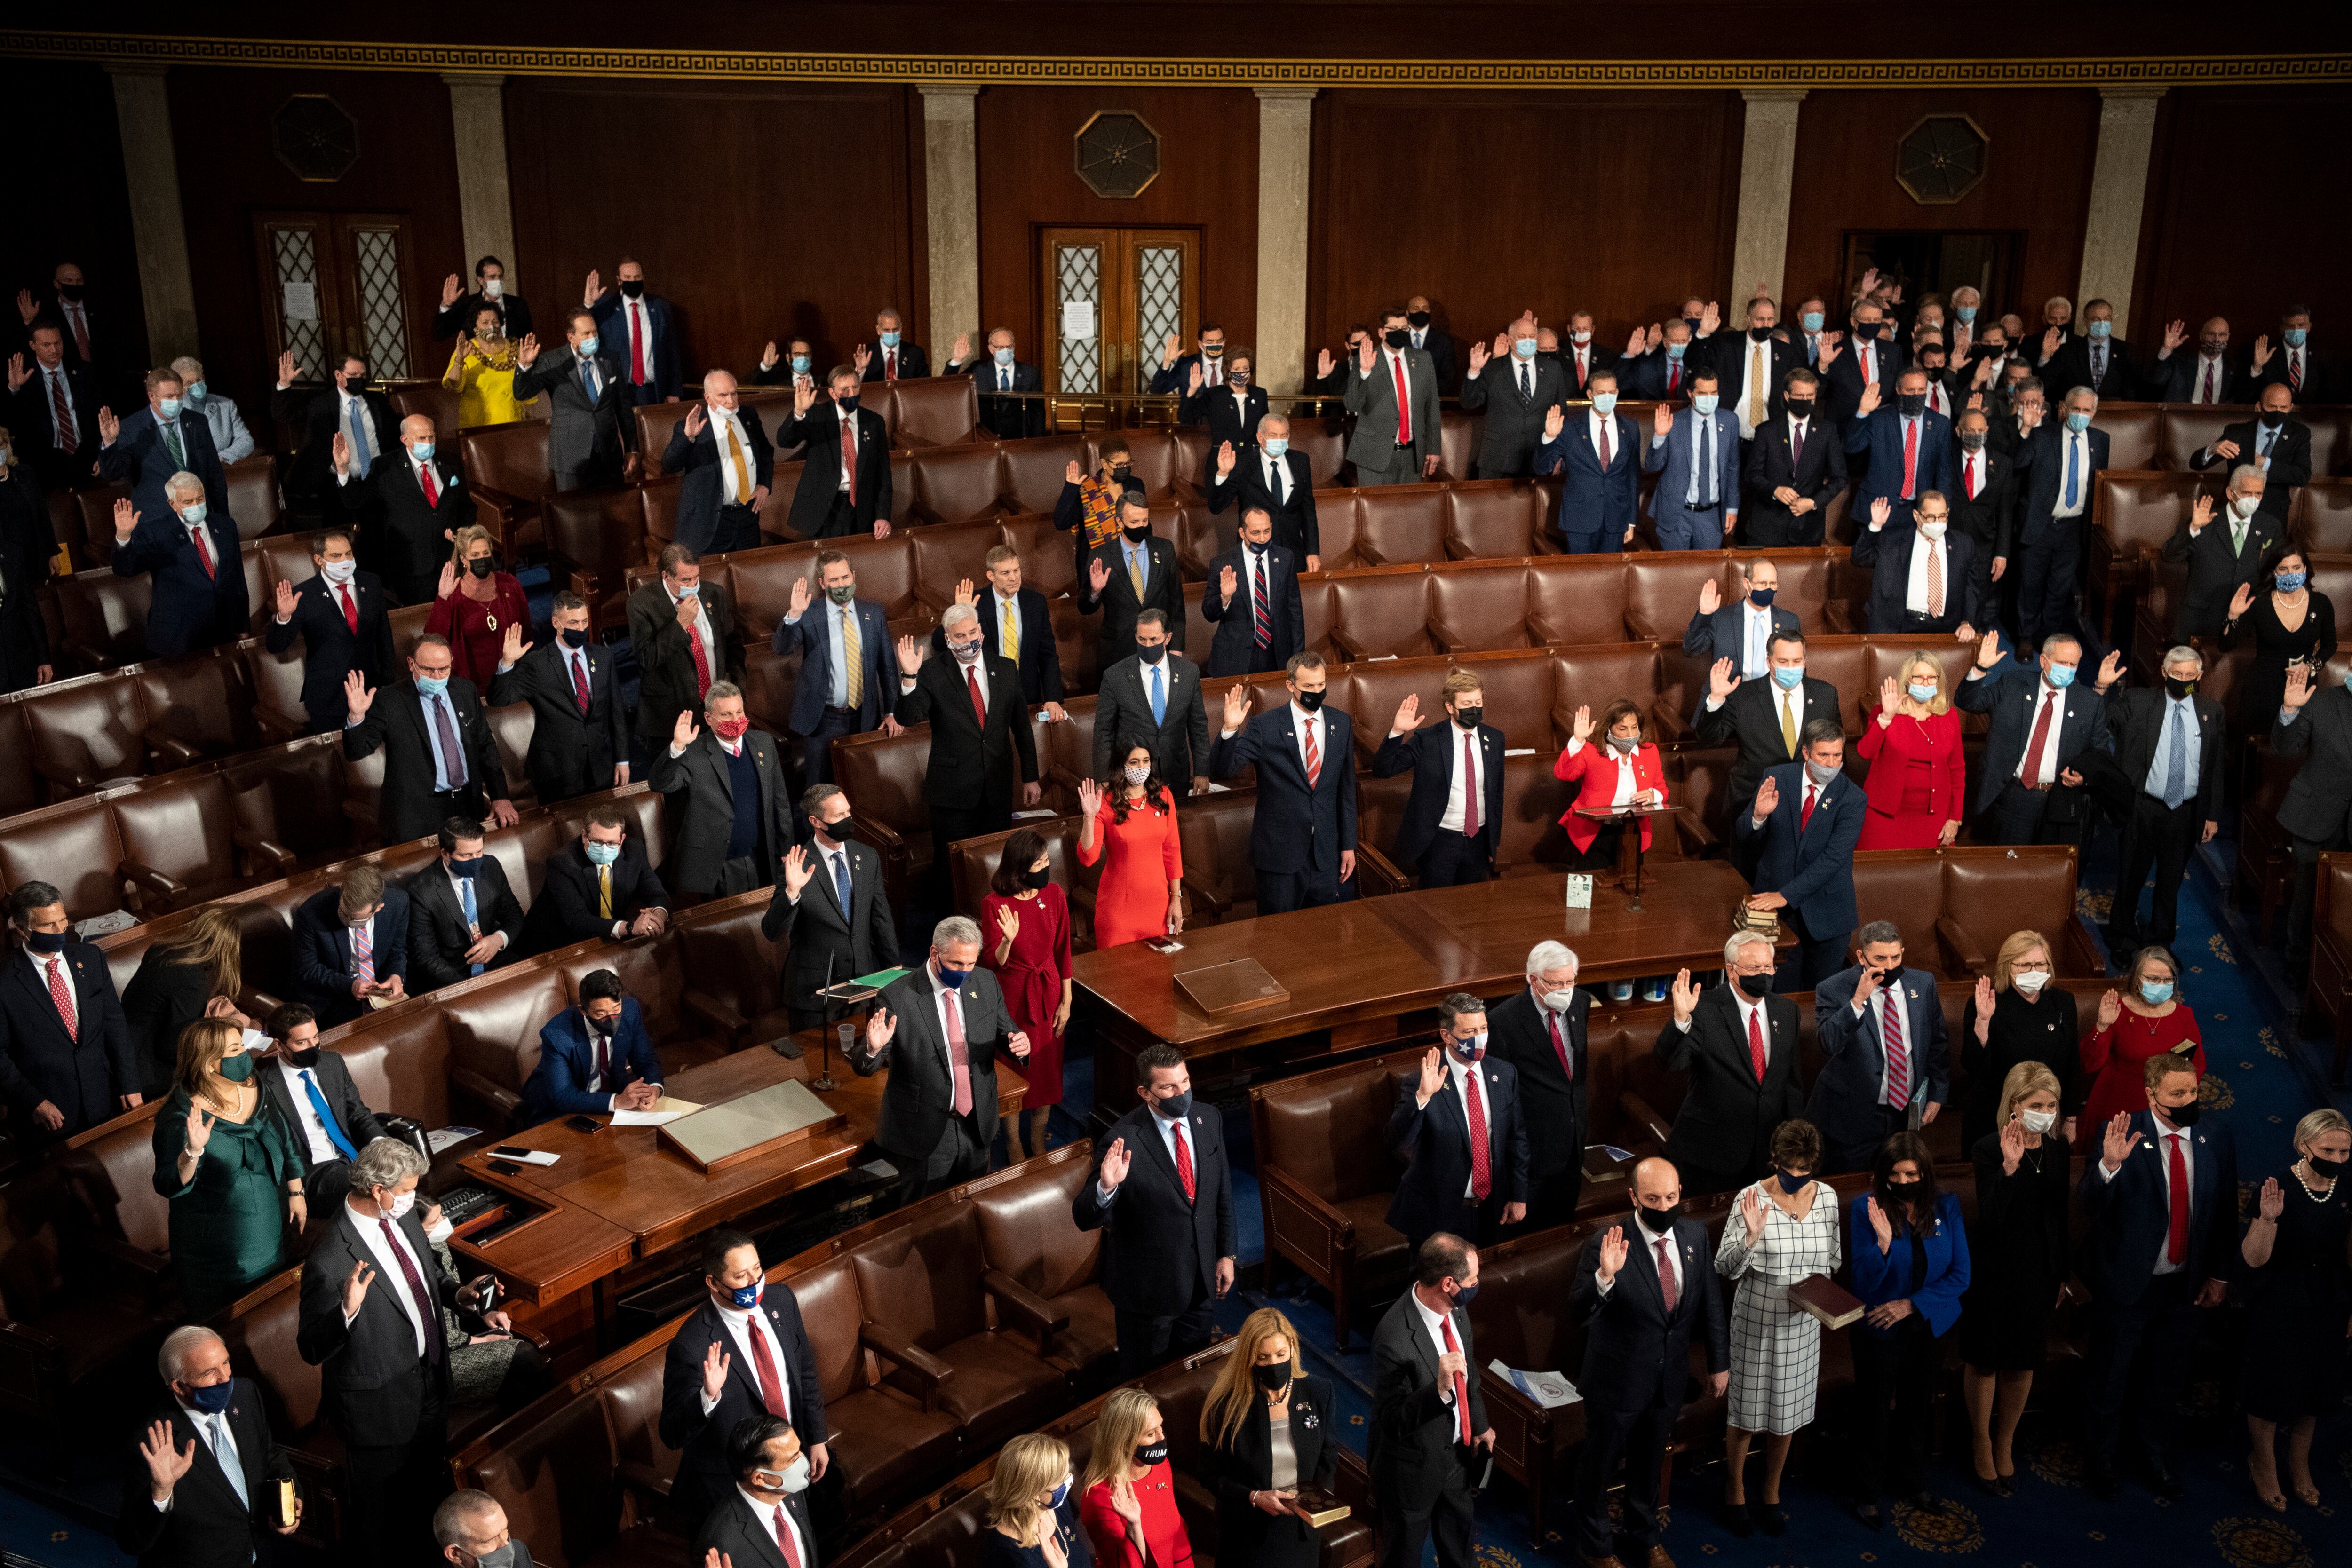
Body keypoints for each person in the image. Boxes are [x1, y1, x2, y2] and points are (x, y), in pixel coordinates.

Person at [2077, 1054, 2237, 1498]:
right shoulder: (2122, 1132)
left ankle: (2154, 1454)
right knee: (2112, 1375)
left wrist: (2220, 1276)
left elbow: (2224, 1212)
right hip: (2129, 1282)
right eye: (2178, 1094)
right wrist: (2108, 1167)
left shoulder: (2214, 1135)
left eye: (2193, 1092)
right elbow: (2090, 1205)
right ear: (2151, 1095)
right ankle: (2102, 1457)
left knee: (2166, 1377)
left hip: (2185, 1284)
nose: (2189, 1101)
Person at [297, 1137, 458, 1568]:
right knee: (381, 1529)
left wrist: (460, 1292)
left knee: (430, 1502)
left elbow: (426, 1279)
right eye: (406, 1191)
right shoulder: (328, 1261)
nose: (412, 1199)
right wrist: (345, 1311)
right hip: (379, 1410)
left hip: (429, 1385)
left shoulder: (403, 1220)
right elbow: (311, 1347)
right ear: (378, 1190)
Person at [1569, 1162, 1728, 1568]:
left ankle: (1644, 1536)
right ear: (1634, 1198)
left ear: (1681, 1191)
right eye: (1653, 1199)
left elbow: (1710, 1301)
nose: (1664, 1206)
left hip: (1667, 1379)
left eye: (1671, 1198)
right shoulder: (1607, 1241)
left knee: (1649, 1462)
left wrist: (1719, 1363)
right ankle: (1596, 1546)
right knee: (1599, 1466)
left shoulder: (1694, 1235)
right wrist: (1604, 1278)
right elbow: (1579, 1313)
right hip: (1616, 1381)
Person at [1071, 1044, 1234, 1377]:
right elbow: (1083, 1217)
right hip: (1147, 1296)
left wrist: (1226, 1254)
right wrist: (1107, 1187)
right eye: (1169, 1087)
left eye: (1185, 1082)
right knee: (1145, 1389)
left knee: (1193, 1379)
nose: (1182, 1093)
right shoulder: (1123, 1140)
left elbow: (1222, 1194)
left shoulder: (1208, 1119)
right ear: (1146, 1093)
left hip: (1200, 1286)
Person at [1714, 1119, 1838, 1538]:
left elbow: (1833, 1261)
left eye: (1804, 1172)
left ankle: (1770, 1492)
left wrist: (1822, 1294)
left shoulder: (1828, 1198)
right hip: (1757, 1322)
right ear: (1776, 1160)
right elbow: (1724, 1268)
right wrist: (1750, 1239)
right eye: (1789, 1170)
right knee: (1747, 1415)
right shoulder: (1750, 1197)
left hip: (1804, 1325)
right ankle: (1734, 1491)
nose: (1796, 1179)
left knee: (1787, 1416)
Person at [853, 917, 1030, 1206]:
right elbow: (864, 1066)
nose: (965, 972)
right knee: (925, 1221)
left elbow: (1006, 1031)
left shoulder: (985, 983)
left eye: (970, 963)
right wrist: (873, 1049)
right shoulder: (899, 997)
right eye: (956, 964)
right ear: (934, 953)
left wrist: (1019, 1045)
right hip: (926, 1133)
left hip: (976, 1124)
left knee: (974, 1213)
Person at [660, 1228, 829, 1525]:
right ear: (713, 1283)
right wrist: (707, 1398)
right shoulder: (691, 1344)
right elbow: (672, 1433)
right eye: (741, 1277)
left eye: (758, 1269)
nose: (754, 1282)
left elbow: (804, 1371)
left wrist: (817, 1439)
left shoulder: (782, 1301)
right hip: (735, 1489)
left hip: (790, 1462)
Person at [1959, 1061, 2072, 1496]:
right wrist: (2009, 1169)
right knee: (1987, 1358)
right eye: (2037, 1104)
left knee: (2023, 1358)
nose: (2046, 1111)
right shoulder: (1988, 1149)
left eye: (2052, 1104)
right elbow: (1991, 1216)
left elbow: (2058, 1217)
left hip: (2039, 1272)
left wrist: (2061, 1273)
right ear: (2014, 1107)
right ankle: (1981, 1440)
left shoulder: (2057, 1148)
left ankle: (2005, 1440)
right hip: (1995, 1269)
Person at [1846, 1131, 1970, 1528]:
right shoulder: (1865, 1209)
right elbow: (1863, 1285)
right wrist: (1882, 1244)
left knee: (1918, 1407)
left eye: (1911, 1174)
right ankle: (1867, 1492)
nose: (1903, 1182)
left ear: (1925, 1174)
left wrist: (1912, 1305)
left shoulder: (1946, 1207)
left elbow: (1960, 1274)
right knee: (1874, 1411)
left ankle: (1912, 1482)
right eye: (1895, 1175)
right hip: (1879, 1328)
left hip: (1929, 1324)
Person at [2239, 1108, 2352, 1512]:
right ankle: (2264, 1462)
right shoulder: (2278, 1188)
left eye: (2345, 1152)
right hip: (2281, 1303)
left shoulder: (2346, 1186)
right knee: (2274, 1386)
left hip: (2331, 1302)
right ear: (2304, 1145)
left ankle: (2299, 1464)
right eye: (2328, 1150)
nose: (2337, 1160)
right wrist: (2267, 1221)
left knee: (2317, 1389)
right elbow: (2253, 1259)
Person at [151, 1018, 303, 1319]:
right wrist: (192, 1151)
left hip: (268, 1230)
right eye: (235, 1049)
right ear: (208, 1064)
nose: (245, 1053)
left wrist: (296, 1190)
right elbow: (168, 1184)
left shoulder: (254, 1086)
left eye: (242, 1045)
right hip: (215, 1248)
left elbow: (284, 1135)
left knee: (268, 1314)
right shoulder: (180, 1117)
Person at [117, 1325, 302, 1568]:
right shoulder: (151, 1444)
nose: (225, 1378)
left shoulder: (245, 1395)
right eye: (209, 1373)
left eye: (226, 1363)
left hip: (259, 1555)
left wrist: (290, 1497)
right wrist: (161, 1492)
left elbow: (269, 1454)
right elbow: (131, 1542)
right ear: (180, 1387)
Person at [892, 606, 1042, 898]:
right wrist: (909, 676)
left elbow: (1022, 728)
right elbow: (908, 717)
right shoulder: (933, 672)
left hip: (996, 788)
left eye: (972, 633)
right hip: (952, 794)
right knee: (951, 871)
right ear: (948, 640)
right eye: (960, 636)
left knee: (996, 863)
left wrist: (1030, 777)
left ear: (982, 633)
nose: (968, 640)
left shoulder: (1007, 668)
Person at [1368, 1234, 1491, 1568]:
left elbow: (1471, 1373)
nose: (1477, 1285)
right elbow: (1391, 1421)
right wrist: (1437, 1391)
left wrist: (1480, 1425)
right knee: (1403, 1560)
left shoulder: (1457, 1311)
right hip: (1411, 1471)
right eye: (1473, 1280)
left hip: (1457, 1462)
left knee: (1461, 1557)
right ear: (1448, 1283)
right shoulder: (1393, 1338)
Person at [1656, 934, 1806, 1195]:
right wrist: (1681, 1020)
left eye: (1768, 967)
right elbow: (1668, 1064)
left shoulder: (1787, 1011)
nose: (1764, 974)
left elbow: (1791, 1084)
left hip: (1766, 1156)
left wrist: (1796, 1144)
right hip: (1709, 1157)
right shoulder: (1703, 1010)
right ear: (1731, 970)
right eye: (1753, 968)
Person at [1210, 654, 1357, 913]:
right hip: (1279, 858)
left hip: (1325, 855)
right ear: (1291, 686)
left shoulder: (1341, 723)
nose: (1316, 692)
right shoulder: (1264, 726)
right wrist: (1229, 729)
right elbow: (1224, 770)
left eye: (1321, 685)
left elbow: (1345, 791)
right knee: (1278, 939)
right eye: (1309, 687)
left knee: (1326, 935)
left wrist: (1348, 845)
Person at [342, 633, 516, 845]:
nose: (436, 676)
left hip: (467, 806)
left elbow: (486, 747)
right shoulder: (390, 700)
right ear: (411, 664)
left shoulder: (465, 691)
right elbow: (357, 751)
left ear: (452, 663)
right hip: (415, 816)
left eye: (443, 669)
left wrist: (500, 796)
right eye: (427, 669)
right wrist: (357, 717)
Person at [2103, 647, 2222, 955]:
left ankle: (2160, 943)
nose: (2183, 680)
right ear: (2165, 673)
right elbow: (2107, 721)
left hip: (2185, 812)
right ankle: (2122, 938)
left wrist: (2211, 814)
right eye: (2177, 674)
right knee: (2131, 877)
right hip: (2144, 807)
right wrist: (2101, 688)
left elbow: (2215, 766)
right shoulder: (2139, 701)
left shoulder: (2211, 711)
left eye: (2189, 675)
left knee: (2170, 885)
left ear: (2199, 676)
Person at [1387, 994, 1528, 1252]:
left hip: (1491, 1209)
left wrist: (1518, 1195)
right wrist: (1423, 1097)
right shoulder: (1422, 1081)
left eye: (1484, 1028)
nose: (1480, 1037)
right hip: (1438, 1213)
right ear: (1447, 1036)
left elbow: (1516, 1138)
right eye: (1470, 1031)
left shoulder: (1505, 1074)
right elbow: (1398, 1141)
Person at [0, 880, 139, 1140]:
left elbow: (115, 1026)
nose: (59, 930)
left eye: (62, 921)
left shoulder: (90, 957)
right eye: (47, 925)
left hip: (102, 1101)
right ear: (22, 929)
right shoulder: (5, 983)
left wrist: (129, 1084)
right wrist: (35, 1101)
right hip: (47, 1118)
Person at [1734, 721, 1865, 994]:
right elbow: (1744, 836)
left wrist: (1786, 894)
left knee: (1821, 1000)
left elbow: (1833, 859)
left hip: (1828, 916)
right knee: (1779, 995)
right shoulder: (1777, 778)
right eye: (1823, 756)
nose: (1831, 764)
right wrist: (1758, 816)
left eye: (1837, 756)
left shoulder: (1853, 798)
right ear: (1806, 753)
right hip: (1777, 917)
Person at [1201, 1307, 1337, 1568]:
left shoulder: (1320, 1392)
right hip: (1248, 1532)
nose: (1274, 1364)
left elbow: (1328, 1454)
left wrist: (1321, 1498)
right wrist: (1254, 1497)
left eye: (1280, 1354)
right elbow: (1209, 1473)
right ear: (1249, 1359)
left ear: (1293, 1349)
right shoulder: (1226, 1406)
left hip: (1301, 1529)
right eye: (1263, 1358)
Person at [1955, 631, 2117, 846]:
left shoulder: (2088, 702)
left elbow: (2101, 752)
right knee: (2010, 871)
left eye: (2073, 665)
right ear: (2043, 661)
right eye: (2062, 662)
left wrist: (2084, 778)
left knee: (2050, 873)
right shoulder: (2012, 684)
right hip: (2016, 798)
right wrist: (1980, 668)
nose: (2067, 670)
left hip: (2060, 799)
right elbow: (1967, 702)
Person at [765, 784, 898, 1039]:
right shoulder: (797, 866)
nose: (848, 820)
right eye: (839, 816)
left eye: (848, 812)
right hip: (814, 995)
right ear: (816, 822)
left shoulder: (867, 857)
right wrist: (792, 892)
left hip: (862, 987)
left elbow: (881, 920)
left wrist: (894, 975)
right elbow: (772, 932)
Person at [651, 681, 795, 899]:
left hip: (761, 860)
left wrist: (786, 851)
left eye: (740, 712)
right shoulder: (692, 752)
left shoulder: (763, 743)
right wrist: (677, 747)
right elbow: (660, 784)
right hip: (714, 868)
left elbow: (780, 804)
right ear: (709, 719)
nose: (736, 720)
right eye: (727, 715)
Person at [982, 829, 1073, 1163]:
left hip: (1048, 993)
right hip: (1013, 1000)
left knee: (1046, 1068)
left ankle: (1037, 1136)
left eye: (1047, 860)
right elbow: (991, 962)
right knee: (1015, 1069)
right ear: (1020, 868)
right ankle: (1012, 1143)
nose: (1047, 867)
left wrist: (1067, 1000)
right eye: (1040, 862)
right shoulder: (994, 904)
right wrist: (1007, 939)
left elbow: (1063, 950)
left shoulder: (1055, 894)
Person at [775, 550, 901, 787]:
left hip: (865, 718)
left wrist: (892, 712)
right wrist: (794, 614)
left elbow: (887, 668)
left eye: (845, 578)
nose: (841, 585)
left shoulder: (872, 613)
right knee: (821, 791)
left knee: (861, 787)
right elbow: (782, 649)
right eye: (834, 580)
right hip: (823, 719)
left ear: (854, 576)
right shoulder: (809, 613)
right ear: (822, 583)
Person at [488, 593, 627, 805]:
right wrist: (507, 663)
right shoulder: (537, 664)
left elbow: (616, 713)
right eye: (573, 622)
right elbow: (500, 700)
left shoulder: (603, 657)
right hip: (557, 773)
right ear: (556, 623)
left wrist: (623, 759)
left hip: (601, 766)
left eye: (585, 622)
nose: (581, 629)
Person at [1488, 942, 1590, 1228]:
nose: (1566, 990)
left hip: (1573, 1148)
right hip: (1531, 1159)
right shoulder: (1502, 1021)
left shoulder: (1580, 1003)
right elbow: (1502, 1103)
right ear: (1534, 980)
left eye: (1571, 981)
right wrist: (1515, 1183)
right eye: (1557, 983)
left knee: (1563, 1233)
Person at [332, 412, 475, 609]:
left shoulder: (450, 463)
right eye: (422, 438)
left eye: (432, 437)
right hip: (411, 568)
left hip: (450, 562)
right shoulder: (385, 467)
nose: (429, 442)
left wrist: (462, 537)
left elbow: (466, 507)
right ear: (405, 440)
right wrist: (343, 469)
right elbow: (356, 501)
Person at [1375, 670, 1505, 888]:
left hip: (1478, 841)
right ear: (1450, 707)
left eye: (1478, 702)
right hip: (1440, 841)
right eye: (1466, 703)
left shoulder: (1494, 738)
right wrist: (1397, 731)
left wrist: (1493, 846)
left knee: (1474, 907)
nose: (1474, 709)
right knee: (1436, 908)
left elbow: (1497, 795)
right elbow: (1383, 770)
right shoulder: (1428, 740)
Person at [1692, 630, 1841, 817]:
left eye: (1797, 661)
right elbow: (1708, 739)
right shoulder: (1743, 697)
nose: (1791, 667)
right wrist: (1716, 698)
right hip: (1752, 802)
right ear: (1769, 661)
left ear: (1805, 661)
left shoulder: (1826, 695)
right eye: (1783, 662)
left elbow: (1836, 751)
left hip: (1809, 804)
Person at [266, 525, 395, 736]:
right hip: (329, 698)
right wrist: (284, 617)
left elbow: (384, 638)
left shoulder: (371, 583)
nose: (345, 561)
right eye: (336, 556)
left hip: (371, 691)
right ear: (319, 560)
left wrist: (388, 686)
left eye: (348, 554)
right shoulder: (304, 595)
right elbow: (276, 646)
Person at [1960, 931, 2082, 1151]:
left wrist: (2071, 1119)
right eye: (2025, 965)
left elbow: (2072, 1063)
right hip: (1994, 1115)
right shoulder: (1985, 1002)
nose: (2034, 971)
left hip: (2045, 1116)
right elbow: (1974, 1068)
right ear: (2008, 966)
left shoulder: (2063, 1003)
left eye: (2040, 964)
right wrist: (1984, 1021)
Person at [255, 1003, 385, 1208]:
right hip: (314, 1171)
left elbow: (358, 1114)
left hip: (354, 1159)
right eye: (302, 1042)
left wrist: (381, 1144)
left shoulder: (332, 1063)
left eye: (316, 1037)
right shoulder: (263, 1084)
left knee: (404, 1166)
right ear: (280, 1046)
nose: (313, 1046)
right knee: (377, 1187)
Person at [2078, 945, 2203, 1148]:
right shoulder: (2117, 1010)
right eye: (2154, 979)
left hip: (2165, 1107)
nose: (2161, 985)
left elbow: (2195, 1065)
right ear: (2137, 980)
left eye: (2167, 980)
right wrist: (2102, 1026)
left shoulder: (2184, 1017)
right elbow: (2090, 1063)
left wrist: (2176, 1100)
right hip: (2116, 1104)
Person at [108, 476, 247, 659]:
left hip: (221, 633)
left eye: (200, 499)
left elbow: (237, 580)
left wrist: (242, 628)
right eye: (188, 502)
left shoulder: (226, 526)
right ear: (172, 504)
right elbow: (125, 569)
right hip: (178, 640)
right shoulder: (157, 533)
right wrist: (124, 537)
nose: (196, 505)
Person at [2275, 662, 2352, 986]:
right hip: (2315, 816)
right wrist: (2289, 711)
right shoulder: (2320, 701)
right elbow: (2285, 747)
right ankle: (2299, 967)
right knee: (2307, 899)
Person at [2011, 385, 2106, 647]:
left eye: (2087, 410)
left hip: (2073, 529)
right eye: (2076, 409)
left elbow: (2099, 486)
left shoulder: (2101, 441)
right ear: (2064, 409)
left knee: (2059, 588)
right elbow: (2018, 464)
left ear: (2094, 413)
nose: (2081, 414)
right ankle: (2026, 638)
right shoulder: (2042, 436)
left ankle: (2048, 639)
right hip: (2040, 525)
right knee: (2031, 586)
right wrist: (2026, 430)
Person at [510, 309, 642, 492]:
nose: (593, 337)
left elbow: (623, 407)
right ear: (571, 337)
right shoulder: (553, 361)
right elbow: (521, 393)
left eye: (595, 332)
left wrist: (631, 448)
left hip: (609, 457)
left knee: (614, 513)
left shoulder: (610, 358)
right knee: (574, 518)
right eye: (586, 334)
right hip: (571, 458)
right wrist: (524, 366)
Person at [121, 905, 246, 1099]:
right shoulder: (192, 979)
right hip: (149, 1073)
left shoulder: (160, 950)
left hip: (123, 1050)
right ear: (228, 948)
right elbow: (173, 1048)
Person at [2223, 546, 2334, 760]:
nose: (2290, 574)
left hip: (2302, 686)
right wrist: (2233, 615)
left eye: (2296, 568)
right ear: (2274, 572)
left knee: (2295, 751)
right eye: (2283, 569)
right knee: (2255, 755)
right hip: (2262, 689)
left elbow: (2331, 645)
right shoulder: (2260, 602)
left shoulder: (2321, 603)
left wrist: (2311, 666)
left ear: (2305, 569)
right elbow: (2227, 645)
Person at [1089, 610, 1209, 801]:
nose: (1147, 645)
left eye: (1154, 640)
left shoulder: (1188, 673)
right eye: (1142, 640)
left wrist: (1202, 771)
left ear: (1168, 638)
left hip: (1175, 774)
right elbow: (1104, 731)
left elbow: (1198, 725)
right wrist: (1104, 778)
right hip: (1133, 777)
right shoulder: (1115, 676)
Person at [1075, 741, 1184, 951]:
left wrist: (1176, 899)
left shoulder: (1163, 796)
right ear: (1121, 766)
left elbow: (1172, 852)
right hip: (1119, 911)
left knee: (1158, 978)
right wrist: (1089, 817)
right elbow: (1088, 858)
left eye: (1146, 761)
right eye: (1134, 763)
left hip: (1158, 907)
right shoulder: (1105, 802)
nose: (1141, 768)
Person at [929, 547, 1066, 711]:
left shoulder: (1036, 603)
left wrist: (1052, 698)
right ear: (991, 576)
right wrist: (960, 612)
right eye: (1005, 573)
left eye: (1017, 570)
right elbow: (938, 643)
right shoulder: (975, 602)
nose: (1014, 578)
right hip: (986, 695)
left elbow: (1048, 654)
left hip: (1027, 696)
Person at [523, 805, 671, 956]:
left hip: (606, 937)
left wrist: (658, 917)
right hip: (556, 944)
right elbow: (578, 919)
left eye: (612, 843)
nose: (605, 849)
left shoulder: (634, 850)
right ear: (584, 836)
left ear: (622, 839)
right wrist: (630, 928)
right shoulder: (562, 863)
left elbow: (657, 893)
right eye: (598, 842)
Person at [521, 970, 664, 1125]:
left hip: (612, 1100)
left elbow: (645, 1060)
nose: (612, 1019)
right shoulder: (557, 1034)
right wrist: (616, 1101)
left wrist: (654, 1088)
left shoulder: (631, 1011)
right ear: (583, 1011)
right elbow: (562, 1096)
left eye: (616, 1009)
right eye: (601, 1014)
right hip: (558, 1110)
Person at [1854, 651, 1966, 849]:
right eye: (1919, 677)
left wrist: (1955, 819)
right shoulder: (1886, 711)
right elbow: (1865, 752)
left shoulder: (1949, 716)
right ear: (1907, 679)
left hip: (1934, 819)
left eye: (1932, 678)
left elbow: (1957, 770)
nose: (1925, 683)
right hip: (1885, 816)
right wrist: (1886, 718)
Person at [1078, 1388, 1194, 1568]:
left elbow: (1177, 1535)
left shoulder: (1160, 1466)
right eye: (1150, 1434)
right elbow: (1127, 1564)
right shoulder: (1099, 1497)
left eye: (1160, 1427)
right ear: (1124, 1442)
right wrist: (1134, 1525)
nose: (1161, 1437)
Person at [268, 351, 397, 511]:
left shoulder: (378, 401)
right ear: (338, 375)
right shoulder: (321, 403)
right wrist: (284, 384)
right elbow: (283, 414)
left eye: (362, 375)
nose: (359, 379)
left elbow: (395, 435)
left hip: (376, 483)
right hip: (336, 486)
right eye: (353, 375)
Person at [407, 819, 524, 992]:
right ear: (446, 854)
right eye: (466, 856)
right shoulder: (422, 890)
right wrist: (468, 988)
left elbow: (514, 915)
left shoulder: (491, 867)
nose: (475, 861)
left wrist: (498, 940)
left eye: (479, 852)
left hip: (494, 959)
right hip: (451, 975)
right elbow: (427, 958)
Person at [665, 370, 773, 556]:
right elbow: (670, 465)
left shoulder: (748, 417)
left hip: (747, 516)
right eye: (723, 395)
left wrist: (764, 484)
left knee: (748, 575)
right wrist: (688, 437)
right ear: (708, 397)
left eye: (734, 393)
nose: (731, 401)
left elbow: (765, 451)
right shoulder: (692, 426)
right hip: (710, 520)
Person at [1552, 699, 1666, 874]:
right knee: (1592, 893)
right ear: (1609, 729)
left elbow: (1662, 790)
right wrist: (1577, 740)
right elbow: (1564, 774)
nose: (1631, 734)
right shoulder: (1591, 751)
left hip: (1633, 832)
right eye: (1623, 729)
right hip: (1594, 834)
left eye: (1634, 727)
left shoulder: (1649, 751)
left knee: (1629, 886)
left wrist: (1653, 795)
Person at [777, 366, 892, 539]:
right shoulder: (817, 415)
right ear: (832, 393)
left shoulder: (874, 422)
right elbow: (785, 441)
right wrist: (799, 413)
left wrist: (883, 516)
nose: (852, 394)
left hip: (860, 509)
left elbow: (883, 475)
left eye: (856, 387)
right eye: (845, 390)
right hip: (823, 508)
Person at [2163, 472, 2280, 640]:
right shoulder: (2206, 520)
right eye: (2247, 493)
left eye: (2259, 494)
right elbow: (2169, 555)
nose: (2253, 499)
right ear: (2230, 493)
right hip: (2199, 622)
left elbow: (2274, 572)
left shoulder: (2270, 526)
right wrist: (2193, 529)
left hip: (2245, 624)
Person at [288, 867, 409, 1029]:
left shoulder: (398, 903)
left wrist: (396, 975)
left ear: (378, 908)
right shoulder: (311, 914)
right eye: (345, 913)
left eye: (357, 919)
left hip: (381, 992)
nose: (348, 921)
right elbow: (307, 969)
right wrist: (350, 986)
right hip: (334, 999)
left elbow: (398, 950)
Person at [1740, 367, 1845, 546]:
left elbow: (1840, 478)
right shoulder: (1767, 431)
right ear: (1788, 397)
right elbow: (1752, 476)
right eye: (1800, 396)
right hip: (1767, 530)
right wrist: (1775, 491)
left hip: (1807, 530)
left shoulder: (1827, 431)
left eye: (1810, 397)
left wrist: (1814, 503)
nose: (1805, 401)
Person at [1078, 492, 1184, 672]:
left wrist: (1177, 647)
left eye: (1145, 521)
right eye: (1134, 522)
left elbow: (1177, 603)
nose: (1141, 527)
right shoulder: (1101, 556)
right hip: (1118, 653)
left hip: (1158, 649)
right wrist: (1095, 592)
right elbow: (1084, 608)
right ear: (1119, 522)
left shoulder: (1164, 550)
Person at [1534, 373, 1640, 552]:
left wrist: (1631, 521)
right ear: (1590, 395)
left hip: (1616, 520)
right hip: (1579, 520)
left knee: (1612, 576)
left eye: (1611, 392)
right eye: (1601, 393)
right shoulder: (1570, 427)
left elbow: (1633, 477)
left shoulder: (1630, 427)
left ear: (1617, 392)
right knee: (1580, 577)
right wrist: (1550, 438)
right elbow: (1542, 469)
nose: (1607, 397)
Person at [1853, 491, 1979, 639]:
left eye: (1943, 516)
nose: (1937, 522)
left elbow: (1971, 589)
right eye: (1931, 517)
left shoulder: (1964, 545)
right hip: (1901, 627)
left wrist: (1967, 623)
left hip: (1946, 630)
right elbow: (1859, 558)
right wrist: (1875, 526)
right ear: (1916, 516)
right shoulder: (1895, 542)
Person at [1200, 504, 1304, 677]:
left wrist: (1299, 657)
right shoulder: (1223, 564)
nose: (1263, 538)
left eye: (1267, 531)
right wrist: (1224, 598)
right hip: (1236, 656)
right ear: (1242, 533)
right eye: (1256, 533)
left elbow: (1295, 611)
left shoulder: (1285, 558)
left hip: (1277, 653)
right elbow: (1209, 613)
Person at [1641, 370, 1741, 548]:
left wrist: (1732, 508)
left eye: (1714, 393)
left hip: (1712, 516)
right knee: (1676, 574)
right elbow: (1653, 466)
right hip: (1677, 514)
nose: (1709, 398)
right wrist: (1660, 436)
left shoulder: (1730, 421)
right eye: (1703, 393)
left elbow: (1733, 468)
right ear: (1691, 394)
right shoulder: (1675, 422)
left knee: (1707, 573)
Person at [1344, 306, 1443, 486]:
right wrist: (1365, 372)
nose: (1400, 333)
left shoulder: (1423, 359)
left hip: (1413, 455)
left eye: (1404, 329)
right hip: (1374, 455)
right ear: (1381, 332)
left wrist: (1434, 448)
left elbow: (1432, 407)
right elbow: (1352, 404)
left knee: (1410, 511)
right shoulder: (1364, 359)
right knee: (1374, 512)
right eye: (1394, 329)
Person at [1459, 316, 1567, 479]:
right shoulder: (1493, 368)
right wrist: (1474, 372)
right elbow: (1469, 403)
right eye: (1522, 337)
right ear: (1510, 341)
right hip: (1498, 461)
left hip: (1538, 459)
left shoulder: (1553, 369)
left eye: (1532, 337)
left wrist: (1558, 454)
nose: (1529, 341)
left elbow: (1561, 414)